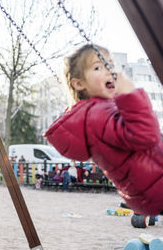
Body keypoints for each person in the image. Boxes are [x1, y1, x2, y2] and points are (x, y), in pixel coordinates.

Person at [44, 44, 163, 215]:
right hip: (156, 185)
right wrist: (130, 94)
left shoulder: (100, 110)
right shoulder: (97, 114)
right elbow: (145, 135)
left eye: (110, 64)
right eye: (98, 67)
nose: (109, 71)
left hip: (150, 187)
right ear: (79, 84)